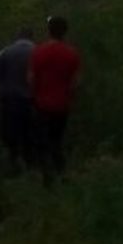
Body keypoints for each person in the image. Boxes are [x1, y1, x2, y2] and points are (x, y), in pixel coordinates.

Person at [29, 16, 81, 185]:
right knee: (57, 140)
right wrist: (70, 99)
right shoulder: (72, 54)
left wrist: (35, 94)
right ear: (65, 32)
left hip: (42, 104)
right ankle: (61, 173)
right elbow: (74, 84)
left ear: (48, 30)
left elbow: (31, 79)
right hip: (61, 106)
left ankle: (46, 176)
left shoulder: (38, 52)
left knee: (41, 141)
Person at [0, 27, 35, 173]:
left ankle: (11, 164)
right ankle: (30, 165)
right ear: (31, 37)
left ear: (17, 36)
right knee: (29, 134)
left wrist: (0, 95)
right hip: (31, 101)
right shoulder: (37, 52)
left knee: (10, 134)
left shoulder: (5, 52)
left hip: (10, 99)